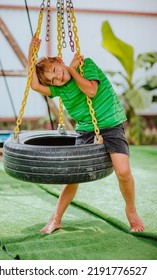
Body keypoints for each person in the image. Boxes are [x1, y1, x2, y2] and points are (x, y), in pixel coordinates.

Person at [28, 34, 144, 234]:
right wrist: (31, 54)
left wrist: (72, 69)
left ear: (59, 61)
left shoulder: (85, 65)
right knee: (73, 176)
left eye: (56, 70)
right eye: (53, 79)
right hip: (86, 129)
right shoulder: (59, 89)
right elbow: (35, 85)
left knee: (123, 172)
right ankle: (56, 218)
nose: (58, 78)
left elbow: (91, 91)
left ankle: (131, 210)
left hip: (111, 123)